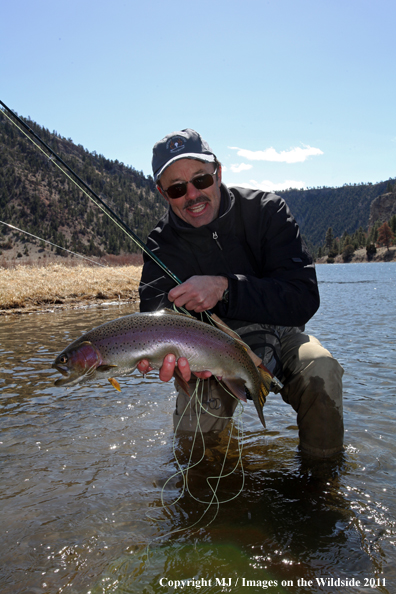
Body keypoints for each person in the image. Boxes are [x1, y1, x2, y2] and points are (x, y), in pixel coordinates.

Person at [137, 129, 344, 458]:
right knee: (195, 454)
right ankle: (200, 491)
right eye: (177, 188)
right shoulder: (161, 244)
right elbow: (153, 312)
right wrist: (173, 360)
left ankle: (323, 481)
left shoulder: (267, 211)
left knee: (322, 368)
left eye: (201, 180)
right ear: (163, 193)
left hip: (281, 333)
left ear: (218, 173)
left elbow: (303, 298)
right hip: (206, 350)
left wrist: (225, 287)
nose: (192, 195)